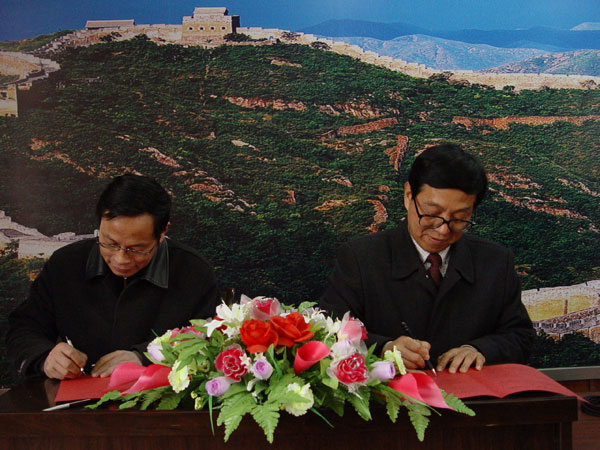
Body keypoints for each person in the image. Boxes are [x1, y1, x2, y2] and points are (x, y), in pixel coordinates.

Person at [320, 144, 535, 374]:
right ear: (408, 196)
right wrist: (383, 348)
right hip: (389, 394)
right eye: (432, 213)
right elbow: (326, 332)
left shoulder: (495, 261)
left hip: (470, 394)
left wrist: (479, 350)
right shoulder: (360, 258)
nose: (443, 230)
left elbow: (520, 337)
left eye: (459, 218)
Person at [7, 174, 219, 380]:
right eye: (110, 244)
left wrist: (144, 357)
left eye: (137, 249)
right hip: (79, 397)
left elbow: (211, 340)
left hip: (163, 399)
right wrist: (45, 357)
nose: (121, 259)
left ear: (162, 232)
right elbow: (24, 328)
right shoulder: (65, 264)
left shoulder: (193, 272)